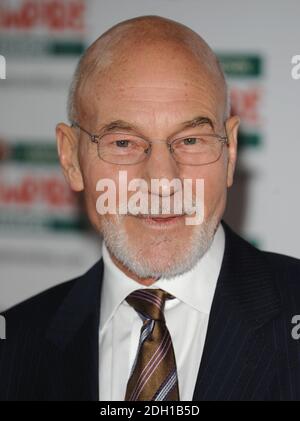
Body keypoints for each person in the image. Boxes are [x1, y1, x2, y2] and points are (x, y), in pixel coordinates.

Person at [0, 15, 300, 401]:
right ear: (71, 158)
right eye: (123, 142)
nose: (162, 180)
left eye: (191, 140)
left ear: (230, 150)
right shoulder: (14, 347)